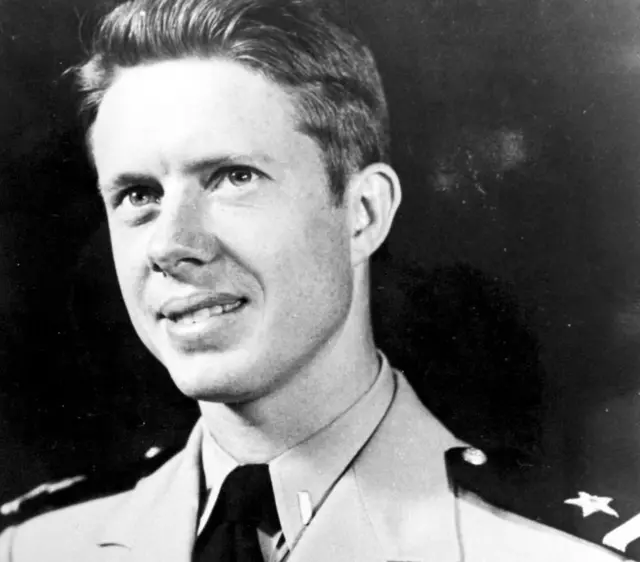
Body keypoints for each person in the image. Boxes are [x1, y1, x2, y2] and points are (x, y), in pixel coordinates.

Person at [0, 0, 628, 560]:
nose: (170, 245)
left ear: (363, 215)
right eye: (139, 194)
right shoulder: (33, 546)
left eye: (233, 177)